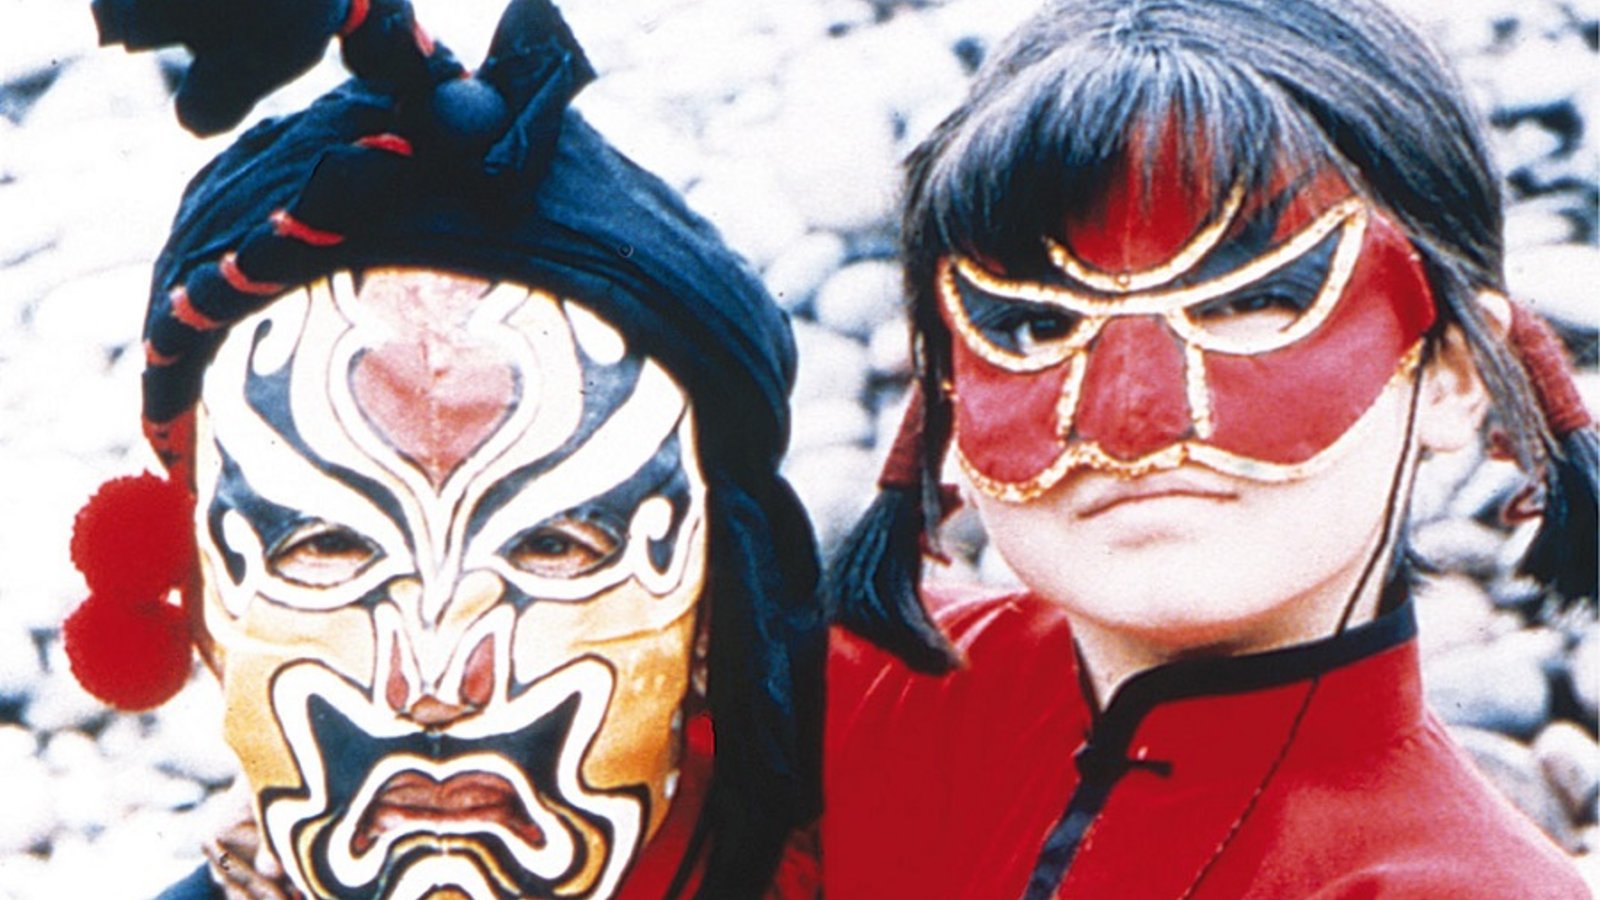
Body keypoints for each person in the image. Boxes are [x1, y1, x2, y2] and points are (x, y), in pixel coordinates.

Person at [822, 0, 1597, 896]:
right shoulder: (857, 699)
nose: (1133, 421)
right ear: (945, 388)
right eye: (1036, 325)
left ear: (1454, 374)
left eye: (1251, 302)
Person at [59, 0, 824, 897]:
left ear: (714, 589)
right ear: (202, 604)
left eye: (555, 545)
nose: (432, 679)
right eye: (325, 546)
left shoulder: (908, 824)